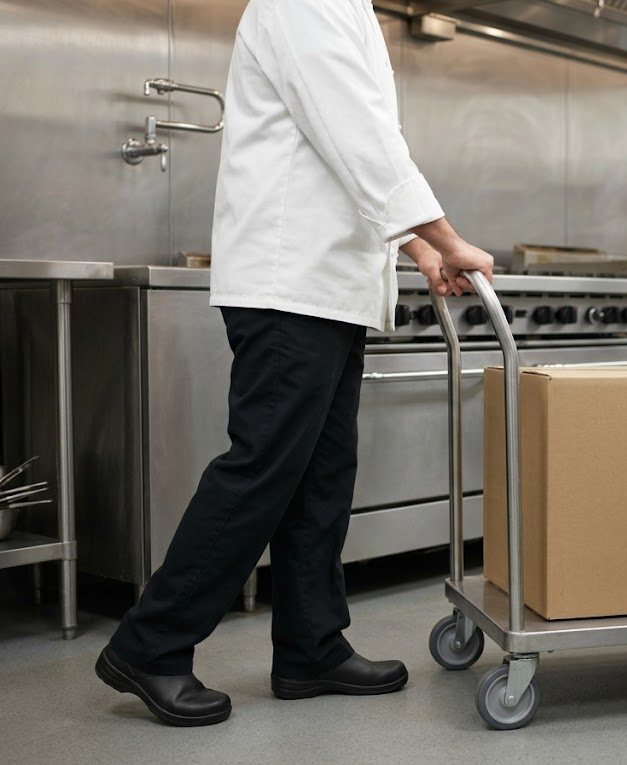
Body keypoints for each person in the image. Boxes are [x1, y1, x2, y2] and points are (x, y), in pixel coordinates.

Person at [95, 0, 494, 727]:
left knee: (322, 474)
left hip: (327, 287)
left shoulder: (348, 11)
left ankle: (311, 647)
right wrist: (444, 236)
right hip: (289, 284)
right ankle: (150, 644)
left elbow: (351, 152)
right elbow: (355, 135)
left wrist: (418, 247)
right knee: (264, 467)